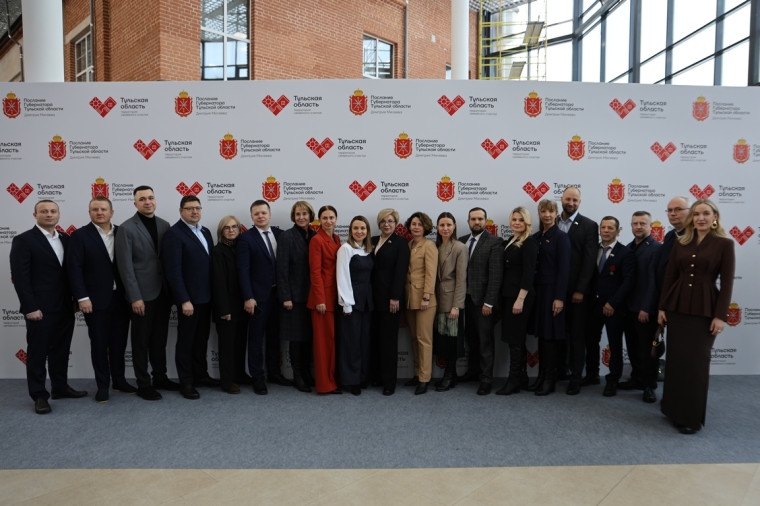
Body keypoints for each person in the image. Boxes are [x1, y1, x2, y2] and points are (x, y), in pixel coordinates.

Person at [658, 199, 735, 435]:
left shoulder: (724, 244)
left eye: (706, 213)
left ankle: (690, 418)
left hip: (705, 310)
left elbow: (727, 282)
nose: (701, 218)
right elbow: (670, 276)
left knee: (696, 364)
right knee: (676, 361)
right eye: (697, 214)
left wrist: (720, 316)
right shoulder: (681, 242)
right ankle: (672, 409)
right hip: (677, 306)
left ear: (715, 217)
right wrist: (662, 307)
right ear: (691, 218)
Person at [10, 200, 84, 414]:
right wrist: (30, 307)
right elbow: (20, 278)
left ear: (58, 214)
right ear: (35, 214)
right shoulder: (24, 240)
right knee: (37, 353)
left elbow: (72, 273)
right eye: (44, 211)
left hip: (65, 307)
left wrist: (75, 301)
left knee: (61, 350)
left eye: (53, 211)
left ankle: (60, 388)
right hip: (39, 309)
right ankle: (39, 395)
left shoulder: (66, 239)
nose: (49, 214)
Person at [67, 196, 133, 404]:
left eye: (103, 209)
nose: (99, 212)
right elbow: (74, 269)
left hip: (121, 299)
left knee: (119, 343)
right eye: (95, 209)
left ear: (111, 212)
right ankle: (103, 385)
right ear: (89, 213)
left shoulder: (123, 232)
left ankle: (119, 381)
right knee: (99, 344)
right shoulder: (79, 236)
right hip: (94, 301)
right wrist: (82, 297)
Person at [115, 185, 176, 401]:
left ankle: (160, 377)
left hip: (163, 293)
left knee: (159, 340)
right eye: (142, 199)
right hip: (141, 295)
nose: (147, 202)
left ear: (155, 200)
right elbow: (125, 267)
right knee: (141, 342)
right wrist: (135, 297)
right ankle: (143, 384)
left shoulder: (165, 225)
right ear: (135, 203)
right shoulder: (126, 228)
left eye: (150, 198)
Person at [161, 195, 216, 400]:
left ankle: (201, 375)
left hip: (206, 298)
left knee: (201, 340)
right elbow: (173, 272)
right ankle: (186, 381)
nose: (194, 211)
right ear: (181, 211)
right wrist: (184, 300)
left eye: (197, 208)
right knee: (186, 341)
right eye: (190, 208)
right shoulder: (174, 234)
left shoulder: (206, 232)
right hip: (189, 301)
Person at [237, 199, 292, 395]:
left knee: (275, 337)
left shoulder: (280, 234)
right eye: (256, 213)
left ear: (269, 214)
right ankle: (257, 377)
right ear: (252, 217)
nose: (260, 216)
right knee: (256, 339)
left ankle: (274, 373)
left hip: (278, 296)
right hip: (257, 298)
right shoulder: (246, 239)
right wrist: (248, 297)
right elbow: (243, 271)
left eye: (263, 213)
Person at [557, 186, 599, 395]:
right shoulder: (553, 222)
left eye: (575, 200)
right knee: (559, 334)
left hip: (576, 293)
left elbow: (589, 260)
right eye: (568, 199)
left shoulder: (589, 225)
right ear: (561, 199)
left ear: (579, 202)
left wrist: (581, 289)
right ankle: (560, 371)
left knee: (576, 336)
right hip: (556, 291)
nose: (571, 203)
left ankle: (576, 377)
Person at [588, 216, 636, 397]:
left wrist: (612, 303)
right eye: (603, 227)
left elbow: (628, 282)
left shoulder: (626, 253)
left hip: (614, 308)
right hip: (593, 305)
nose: (606, 231)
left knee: (615, 345)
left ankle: (613, 380)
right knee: (591, 341)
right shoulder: (594, 249)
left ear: (618, 231)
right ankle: (592, 375)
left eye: (610, 228)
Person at [458, 207, 503, 395]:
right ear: (468, 221)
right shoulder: (461, 241)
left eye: (480, 219)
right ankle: (473, 371)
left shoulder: (494, 242)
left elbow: (496, 275)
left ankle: (486, 379)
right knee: (471, 339)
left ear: (485, 221)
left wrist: (489, 302)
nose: (477, 222)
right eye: (473, 219)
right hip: (465, 300)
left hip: (483, 301)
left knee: (485, 342)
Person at [496, 206, 537, 395]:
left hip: (520, 298)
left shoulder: (529, 242)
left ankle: (513, 381)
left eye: (521, 220)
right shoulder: (511, 240)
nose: (517, 223)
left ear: (527, 222)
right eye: (514, 219)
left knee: (515, 339)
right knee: (514, 338)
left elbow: (529, 273)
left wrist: (520, 299)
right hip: (508, 296)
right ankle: (522, 377)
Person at [277, 201, 317, 393]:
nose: (301, 217)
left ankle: (307, 373)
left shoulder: (315, 236)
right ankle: (298, 375)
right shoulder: (287, 236)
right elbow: (282, 269)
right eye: (298, 214)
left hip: (313, 296)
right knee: (297, 338)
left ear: (310, 216)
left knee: (309, 337)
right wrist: (286, 296)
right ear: (293, 217)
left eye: (304, 214)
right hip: (294, 297)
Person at [621, 211, 661, 403]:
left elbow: (654, 282)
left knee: (647, 351)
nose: (638, 226)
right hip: (628, 307)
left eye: (642, 223)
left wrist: (646, 307)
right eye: (635, 223)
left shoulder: (656, 249)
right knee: (633, 347)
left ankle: (649, 386)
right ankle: (636, 379)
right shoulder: (629, 248)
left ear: (650, 226)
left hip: (645, 309)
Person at [531, 199, 570, 396]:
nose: (547, 215)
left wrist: (559, 297)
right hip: (539, 292)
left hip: (553, 293)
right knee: (542, 336)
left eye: (551, 211)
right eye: (543, 211)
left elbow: (564, 270)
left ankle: (550, 380)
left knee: (551, 337)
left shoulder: (561, 237)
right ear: (539, 213)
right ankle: (541, 376)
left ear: (556, 214)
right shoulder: (537, 237)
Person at [370, 208, 410, 396]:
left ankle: (389, 383)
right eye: (383, 221)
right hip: (371, 299)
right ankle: (376, 376)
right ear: (379, 223)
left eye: (391, 221)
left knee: (388, 342)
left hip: (390, 301)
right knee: (375, 340)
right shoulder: (372, 241)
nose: (387, 224)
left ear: (396, 224)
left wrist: (395, 297)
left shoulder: (401, 243)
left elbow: (400, 272)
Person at [337, 216, 374, 395]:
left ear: (367, 231)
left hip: (367, 303)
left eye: (363, 228)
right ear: (350, 231)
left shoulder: (367, 249)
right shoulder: (345, 249)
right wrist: (346, 304)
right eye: (356, 228)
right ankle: (350, 381)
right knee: (351, 343)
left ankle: (361, 377)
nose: (359, 231)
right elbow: (342, 277)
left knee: (363, 341)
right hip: (351, 303)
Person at [211, 215, 248, 395]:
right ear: (221, 231)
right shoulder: (218, 251)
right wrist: (224, 310)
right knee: (227, 346)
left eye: (234, 227)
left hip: (242, 306)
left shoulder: (241, 248)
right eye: (227, 227)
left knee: (240, 344)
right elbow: (218, 283)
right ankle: (227, 381)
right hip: (226, 308)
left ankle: (239, 374)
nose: (231, 230)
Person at [308, 205, 342, 394]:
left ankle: (332, 380)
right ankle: (324, 385)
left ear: (336, 219)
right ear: (319, 221)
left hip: (335, 296)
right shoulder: (316, 240)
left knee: (332, 341)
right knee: (323, 344)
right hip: (322, 300)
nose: (328, 221)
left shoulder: (336, 238)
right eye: (325, 218)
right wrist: (320, 299)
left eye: (331, 217)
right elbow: (315, 272)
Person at [404, 211, 437, 395]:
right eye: (413, 224)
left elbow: (431, 274)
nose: (416, 227)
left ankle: (425, 379)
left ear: (425, 227)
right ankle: (417, 374)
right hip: (410, 298)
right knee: (414, 338)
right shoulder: (409, 245)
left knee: (424, 340)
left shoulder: (429, 245)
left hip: (425, 300)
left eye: (419, 224)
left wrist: (426, 296)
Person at [433, 212, 467, 392]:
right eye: (442, 225)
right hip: (437, 300)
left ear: (454, 226)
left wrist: (457, 306)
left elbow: (461, 279)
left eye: (448, 225)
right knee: (443, 339)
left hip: (452, 301)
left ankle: (449, 374)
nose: (445, 228)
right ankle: (450, 375)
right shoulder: (435, 246)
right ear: (437, 228)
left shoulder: (460, 247)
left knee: (452, 340)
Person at [654, 196, 690, 292]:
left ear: (690, 212)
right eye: (670, 210)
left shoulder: (697, 236)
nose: (673, 214)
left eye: (678, 209)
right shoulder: (669, 236)